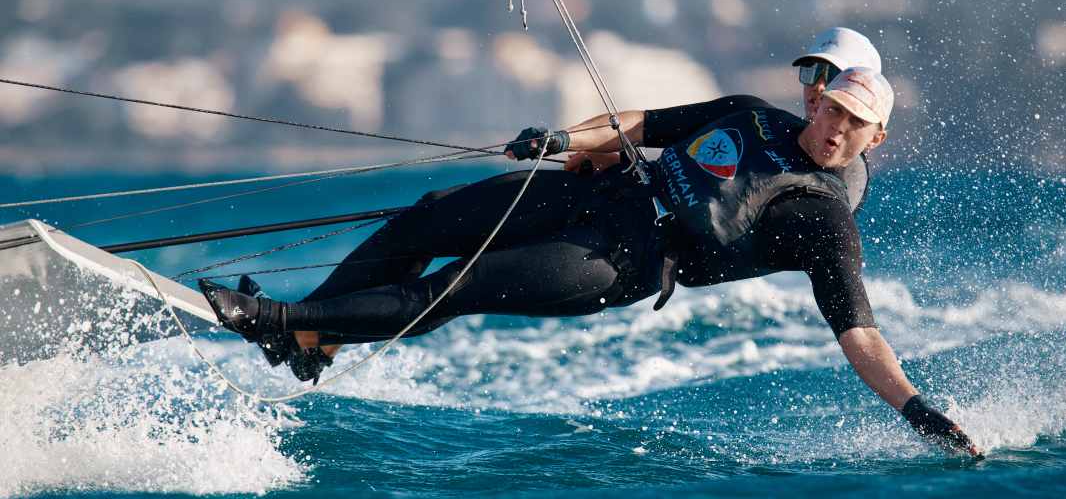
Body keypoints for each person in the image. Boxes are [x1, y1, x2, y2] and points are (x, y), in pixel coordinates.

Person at [200, 66, 983, 458]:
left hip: (621, 260)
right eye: (833, 108)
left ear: (874, 139)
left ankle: (280, 321)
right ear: (817, 100)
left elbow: (861, 334)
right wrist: (565, 141)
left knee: (457, 285)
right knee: (428, 217)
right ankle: (314, 336)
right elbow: (644, 123)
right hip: (597, 194)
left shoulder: (823, 220)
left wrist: (914, 409)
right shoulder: (748, 114)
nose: (836, 127)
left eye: (856, 124)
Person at [568, 26, 881, 211]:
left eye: (835, 76)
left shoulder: (845, 182)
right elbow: (642, 126)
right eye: (812, 72)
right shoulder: (762, 119)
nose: (819, 86)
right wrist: (617, 160)